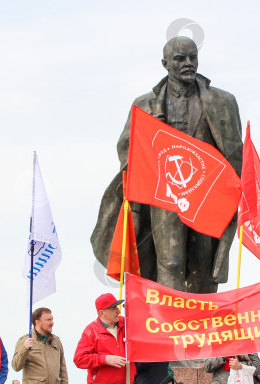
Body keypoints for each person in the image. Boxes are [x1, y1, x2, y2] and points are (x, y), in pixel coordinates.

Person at [91, 36, 243, 294]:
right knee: (169, 263)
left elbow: (235, 152)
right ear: (165, 64)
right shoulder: (144, 105)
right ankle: (165, 329)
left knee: (202, 268)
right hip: (164, 196)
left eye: (192, 58)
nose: (188, 63)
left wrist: (231, 191)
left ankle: (201, 327)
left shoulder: (222, 101)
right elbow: (126, 146)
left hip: (205, 195)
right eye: (179, 59)